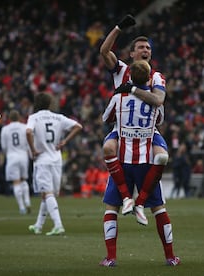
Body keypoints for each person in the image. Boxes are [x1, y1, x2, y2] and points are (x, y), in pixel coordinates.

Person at [100, 59, 180, 267]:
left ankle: (111, 258)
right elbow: (159, 120)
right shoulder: (155, 101)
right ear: (148, 78)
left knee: (111, 209)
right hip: (146, 162)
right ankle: (170, 257)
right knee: (160, 209)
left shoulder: (119, 97)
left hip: (123, 160)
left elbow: (106, 118)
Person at [99, 14, 169, 226]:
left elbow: (158, 99)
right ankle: (127, 198)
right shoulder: (121, 70)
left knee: (162, 157)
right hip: (122, 128)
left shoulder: (156, 76)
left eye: (148, 48)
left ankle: (141, 201)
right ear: (131, 53)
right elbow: (104, 51)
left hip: (148, 130)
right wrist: (119, 27)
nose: (145, 50)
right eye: (141, 47)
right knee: (109, 147)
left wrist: (133, 89)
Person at [27, 92, 83, 235]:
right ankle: (38, 225)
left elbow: (28, 132)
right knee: (47, 194)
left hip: (43, 160)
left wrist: (33, 150)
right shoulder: (58, 117)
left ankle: (58, 225)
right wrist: (65, 141)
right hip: (56, 159)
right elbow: (78, 126)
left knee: (47, 193)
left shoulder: (34, 117)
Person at [0, 110, 32, 214]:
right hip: (23, 156)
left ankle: (22, 207)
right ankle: (27, 202)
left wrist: (7, 154)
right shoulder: (24, 127)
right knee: (24, 180)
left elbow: (3, 147)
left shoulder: (5, 129)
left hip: (12, 157)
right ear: (19, 117)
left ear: (9, 118)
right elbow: (29, 142)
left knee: (16, 182)